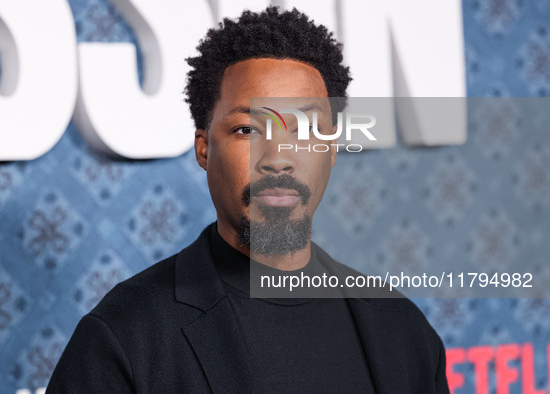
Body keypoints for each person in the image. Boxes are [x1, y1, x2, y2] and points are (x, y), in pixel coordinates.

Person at [47, 7, 449, 393]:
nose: (277, 160)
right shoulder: (125, 336)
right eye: (247, 130)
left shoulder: (401, 328)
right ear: (203, 149)